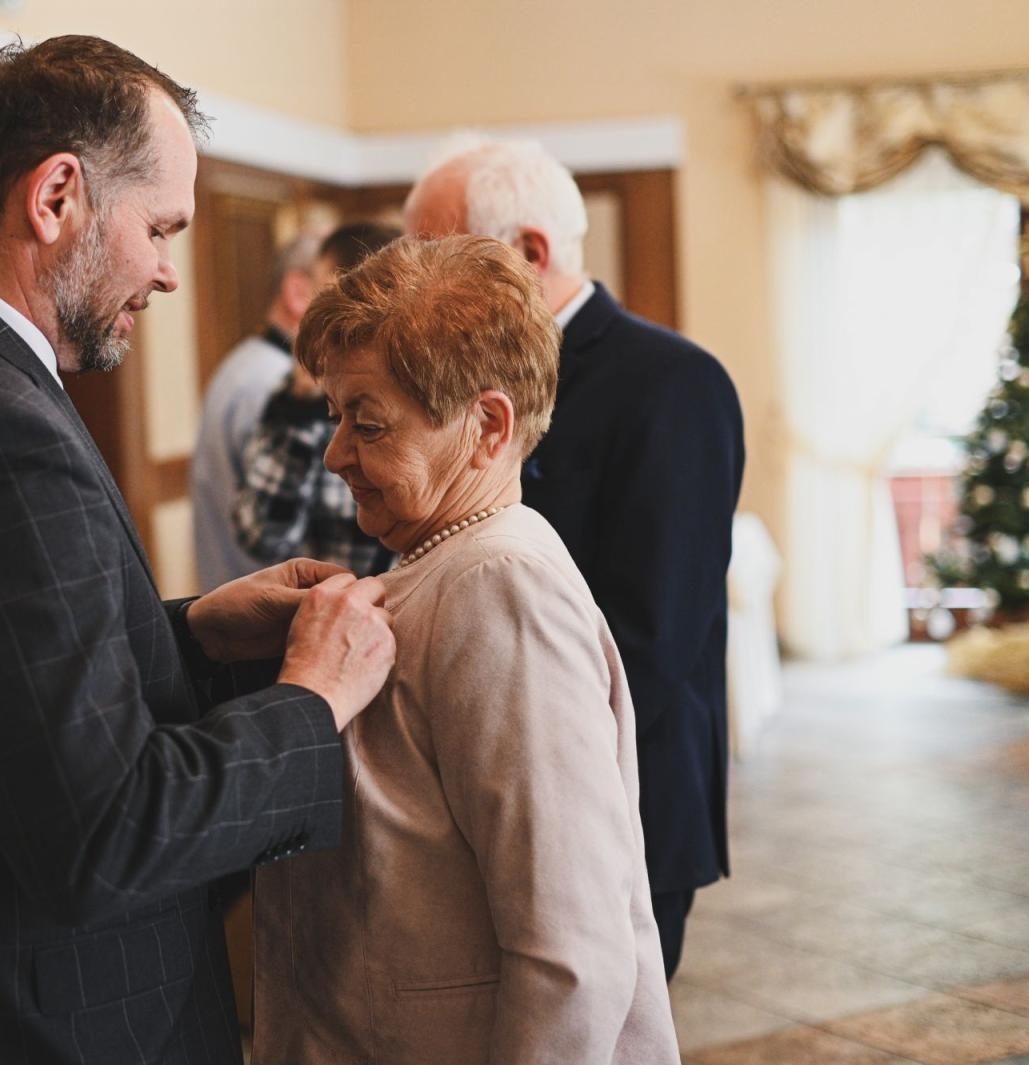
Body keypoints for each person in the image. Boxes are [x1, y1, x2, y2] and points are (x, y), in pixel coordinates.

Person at [0, 36, 395, 1065]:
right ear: (56, 198)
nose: (168, 274)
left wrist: (193, 634)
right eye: (157, 228)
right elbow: (105, 832)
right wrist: (310, 702)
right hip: (26, 1025)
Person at [254, 235, 678, 1064]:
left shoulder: (500, 584)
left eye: (367, 423)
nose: (338, 453)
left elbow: (573, 952)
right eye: (336, 416)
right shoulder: (443, 553)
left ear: (487, 425)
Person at [404, 139, 745, 978]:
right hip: (496, 784)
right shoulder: (468, 373)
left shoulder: (673, 381)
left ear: (528, 251)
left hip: (622, 793)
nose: (416, 282)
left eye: (434, 255)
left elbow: (653, 634)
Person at [234, 221, 400, 575]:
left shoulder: (416, 395)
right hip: (331, 609)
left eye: (325, 300)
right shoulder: (293, 397)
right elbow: (261, 536)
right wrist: (301, 407)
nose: (311, 317)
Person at [192, 233, 321, 590]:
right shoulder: (274, 384)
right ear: (298, 292)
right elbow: (278, 526)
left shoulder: (245, 363)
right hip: (268, 615)